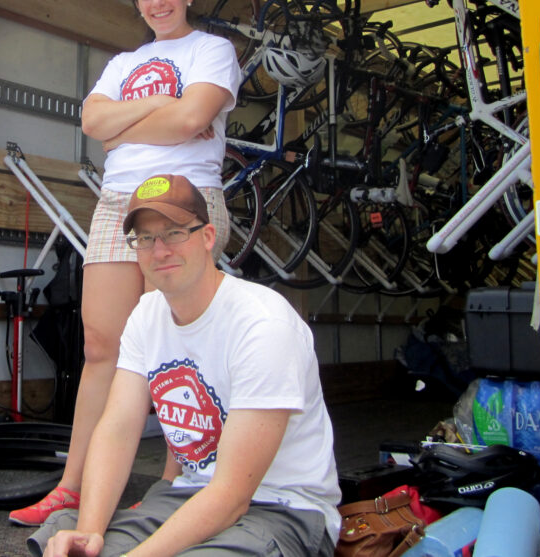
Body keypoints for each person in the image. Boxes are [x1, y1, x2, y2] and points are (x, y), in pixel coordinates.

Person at [10, 0, 240, 526]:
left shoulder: (213, 50)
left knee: (179, 345)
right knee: (100, 347)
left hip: (185, 195)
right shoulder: (123, 61)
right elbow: (93, 125)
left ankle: (173, 483)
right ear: (137, 4)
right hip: (118, 203)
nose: (157, 3)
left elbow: (193, 124)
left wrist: (129, 120)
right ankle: (74, 485)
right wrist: (166, 103)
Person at [30, 175, 341, 556]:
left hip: (281, 510)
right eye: (145, 238)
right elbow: (117, 430)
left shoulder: (262, 324)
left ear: (208, 237)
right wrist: (90, 534)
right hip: (188, 495)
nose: (159, 250)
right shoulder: (146, 315)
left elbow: (231, 496)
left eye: (175, 233)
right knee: (66, 538)